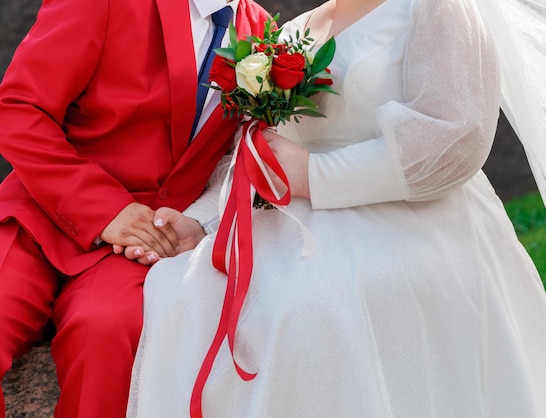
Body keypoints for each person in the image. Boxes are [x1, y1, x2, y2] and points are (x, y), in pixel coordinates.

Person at [127, 0, 546, 416]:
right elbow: (258, 155)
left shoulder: (435, 7)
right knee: (187, 294)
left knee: (309, 309)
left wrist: (315, 174)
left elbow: (457, 138)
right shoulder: (298, 29)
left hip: (411, 222)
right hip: (295, 225)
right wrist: (203, 221)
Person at [0, 0, 270, 417]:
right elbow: (19, 109)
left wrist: (198, 220)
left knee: (106, 330)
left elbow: (237, 156)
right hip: (43, 211)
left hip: (143, 239)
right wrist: (105, 210)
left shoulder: (264, 34)